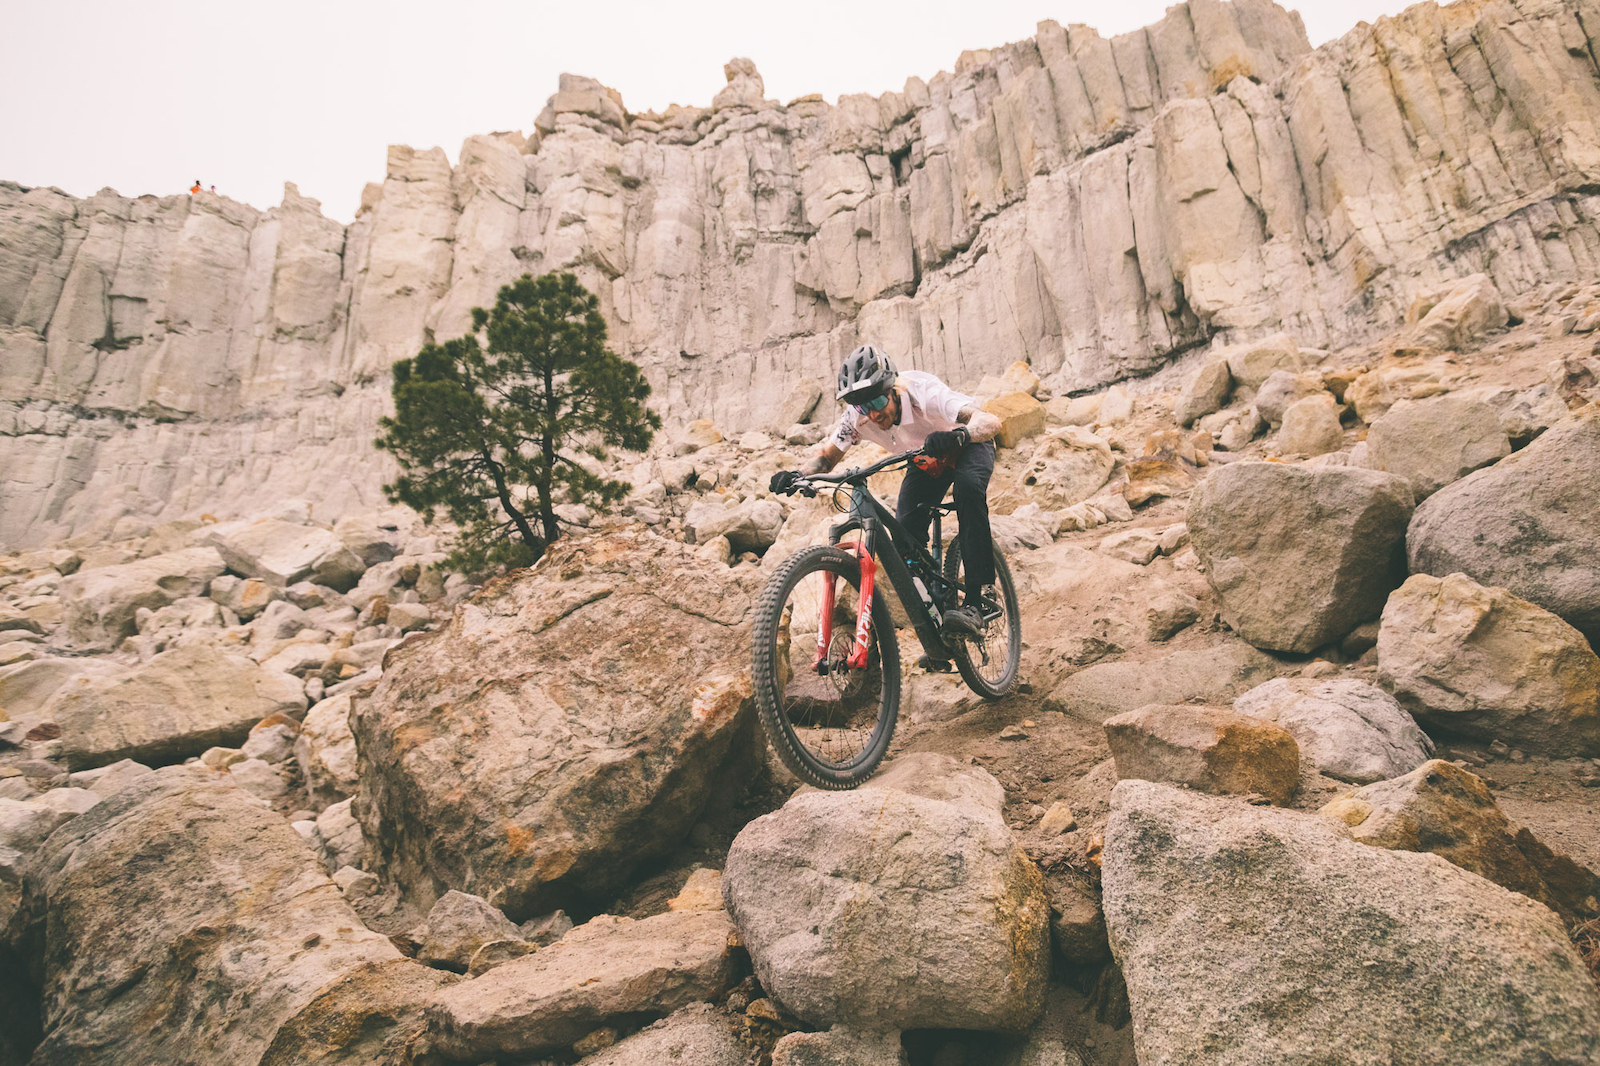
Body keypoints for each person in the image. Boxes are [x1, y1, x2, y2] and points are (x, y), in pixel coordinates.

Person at [769, 344, 1004, 643]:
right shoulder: (856, 417)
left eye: (878, 401)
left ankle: (979, 598)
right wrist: (797, 475)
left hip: (966, 442)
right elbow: (827, 458)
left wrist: (960, 434)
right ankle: (942, 621)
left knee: (968, 491)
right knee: (904, 534)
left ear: (893, 389)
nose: (873, 414)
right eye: (863, 407)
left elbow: (989, 421)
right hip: (925, 458)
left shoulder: (922, 392)